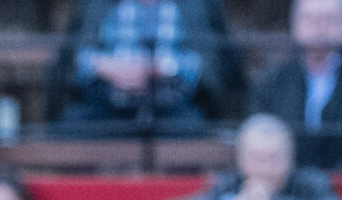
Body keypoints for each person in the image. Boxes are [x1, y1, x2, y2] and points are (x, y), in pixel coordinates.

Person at [57, 0, 242, 135]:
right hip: (107, 107)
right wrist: (105, 66)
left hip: (172, 108)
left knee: (197, 131)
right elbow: (75, 58)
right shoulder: (99, 5)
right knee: (69, 130)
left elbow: (207, 62)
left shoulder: (194, 6)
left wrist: (157, 68)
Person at [248, 0, 342, 173]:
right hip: (288, 185)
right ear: (295, 25)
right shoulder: (273, 80)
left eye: (328, 19)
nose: (319, 28)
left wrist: (331, 184)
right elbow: (259, 132)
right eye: (310, 19)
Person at [158, 112, 342, 200]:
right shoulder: (228, 185)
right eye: (257, 158)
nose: (265, 168)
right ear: (240, 159)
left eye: (274, 158)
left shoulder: (311, 183)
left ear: (290, 158)